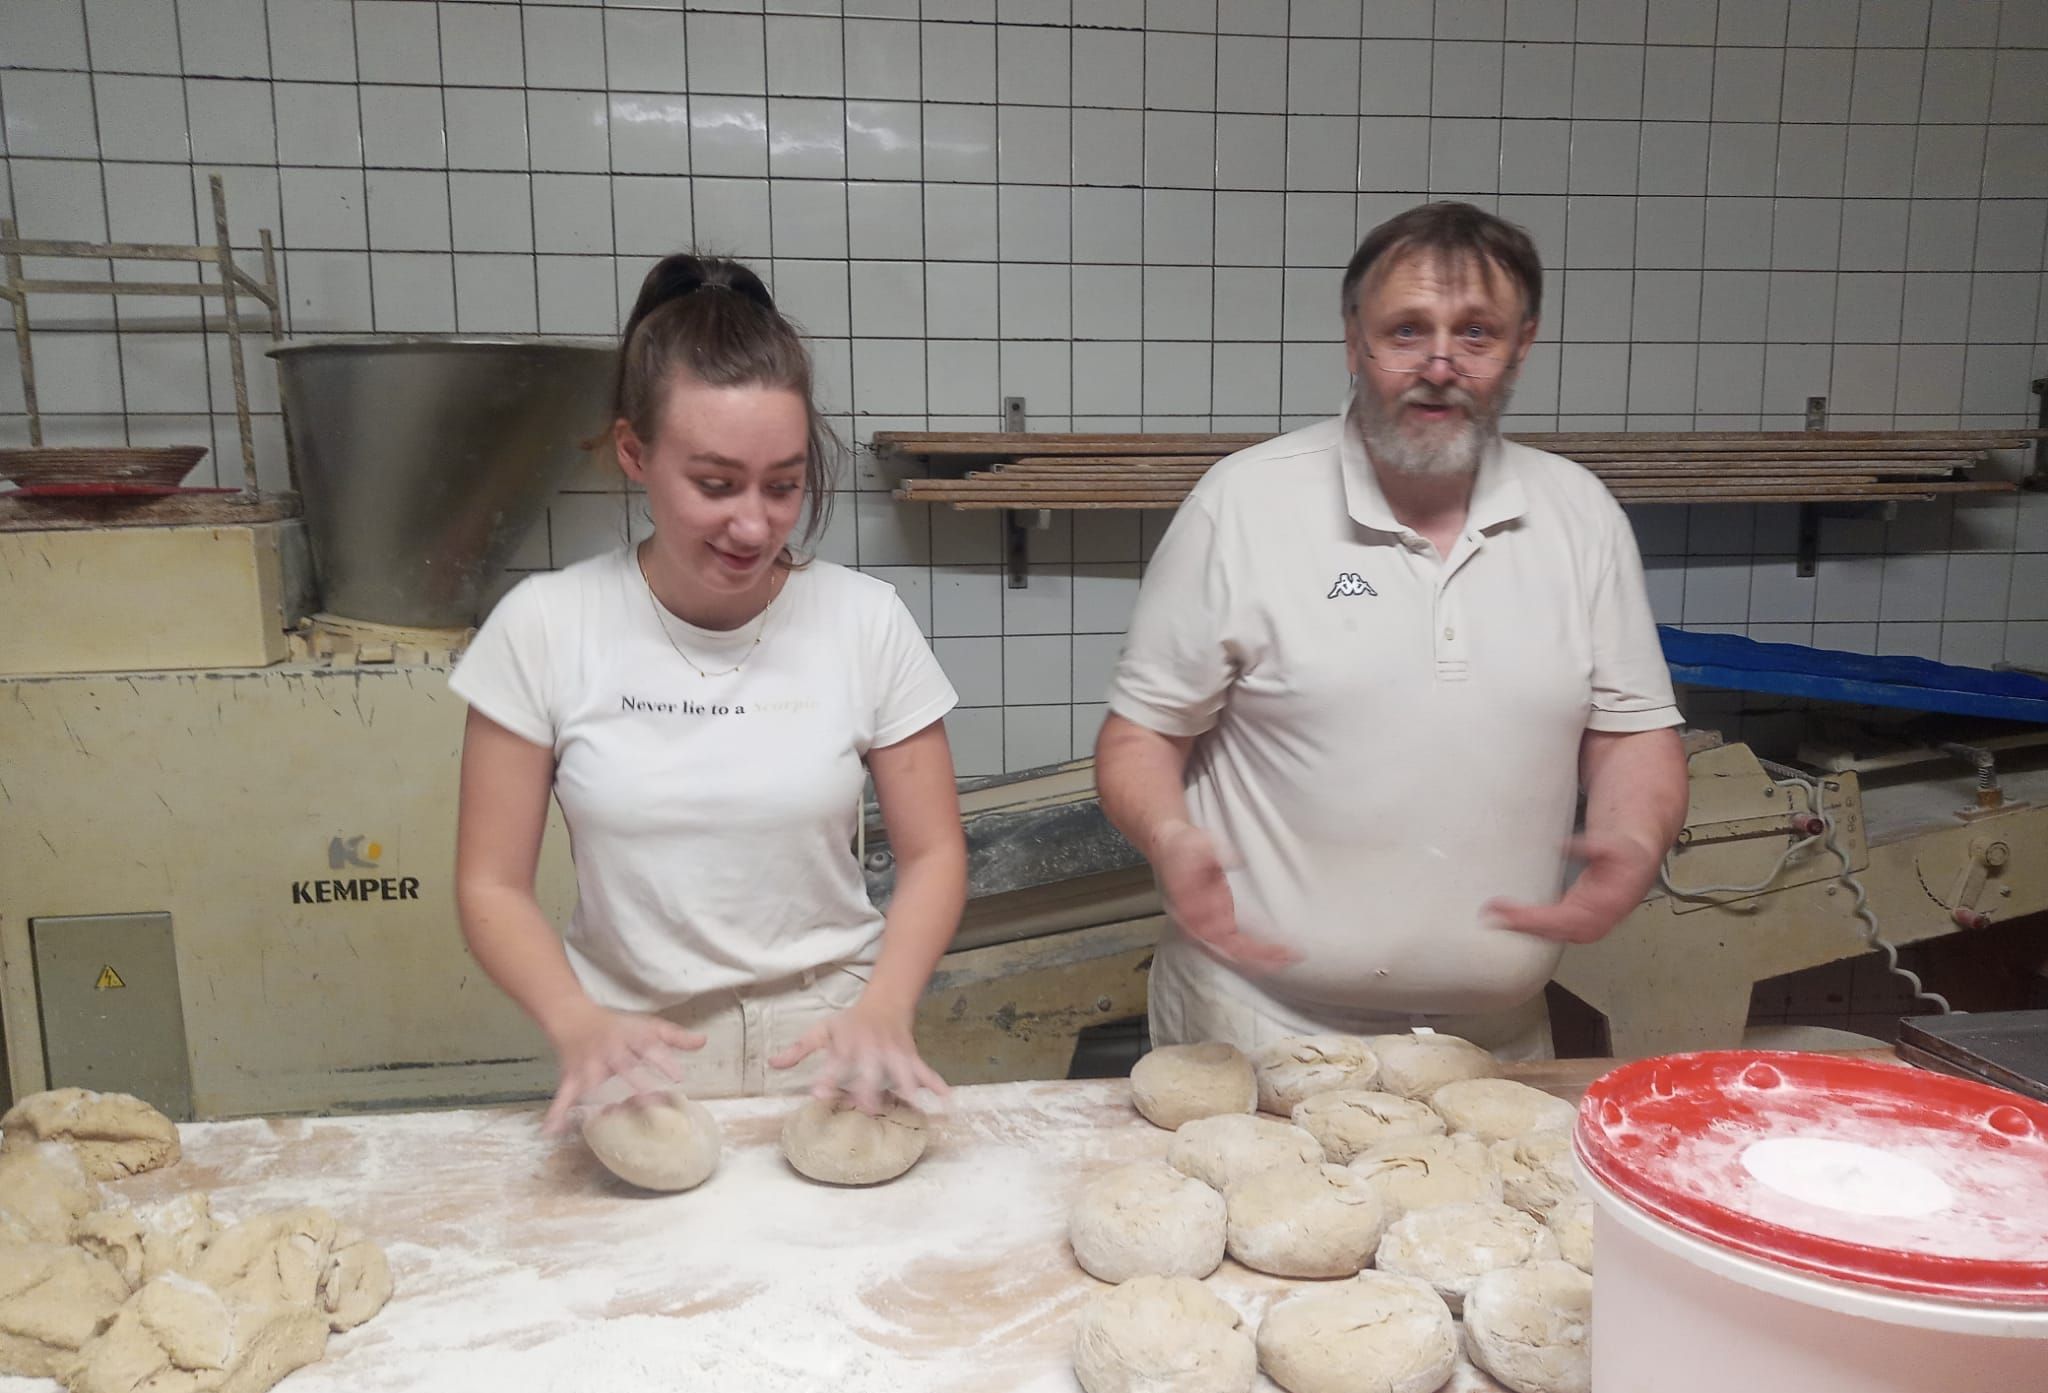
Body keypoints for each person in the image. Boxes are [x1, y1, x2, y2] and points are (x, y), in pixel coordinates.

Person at [1096, 201, 1689, 1060]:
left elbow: (1632, 733)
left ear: (1523, 345)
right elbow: (1140, 735)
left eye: (1476, 334)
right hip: (1260, 1025)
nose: (1438, 366)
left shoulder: (1579, 515)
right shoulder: (1245, 507)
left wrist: (1636, 837)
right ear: (1353, 341)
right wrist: (1170, 835)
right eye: (1407, 332)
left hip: (1498, 1038)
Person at [453, 254, 967, 1131]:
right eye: (716, 484)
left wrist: (886, 1004)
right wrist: (576, 1023)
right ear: (633, 452)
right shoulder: (544, 625)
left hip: (834, 1036)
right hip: (636, 1044)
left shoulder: (864, 621)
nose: (754, 524)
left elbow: (933, 854)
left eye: (785, 485)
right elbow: (490, 884)